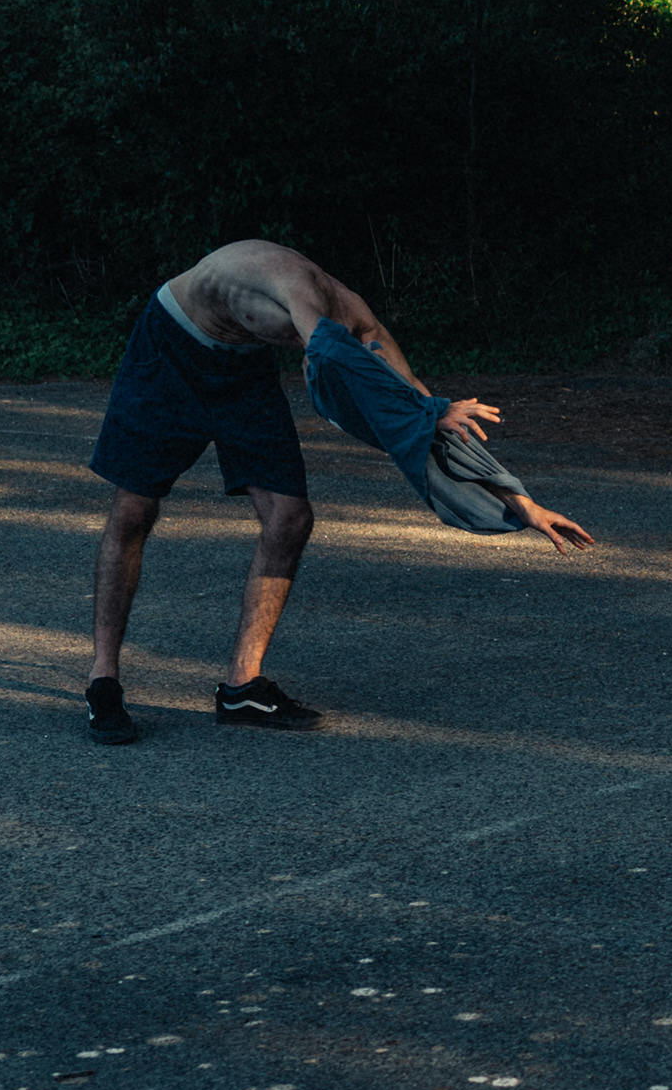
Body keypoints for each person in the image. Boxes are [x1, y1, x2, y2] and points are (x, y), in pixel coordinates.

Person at [79, 239, 595, 743]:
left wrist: (520, 501)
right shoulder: (302, 295)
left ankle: (242, 687)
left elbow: (416, 414)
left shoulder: (360, 320)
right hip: (170, 350)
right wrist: (412, 402)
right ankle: (104, 679)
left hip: (242, 369)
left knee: (290, 517)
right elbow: (334, 357)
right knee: (134, 508)